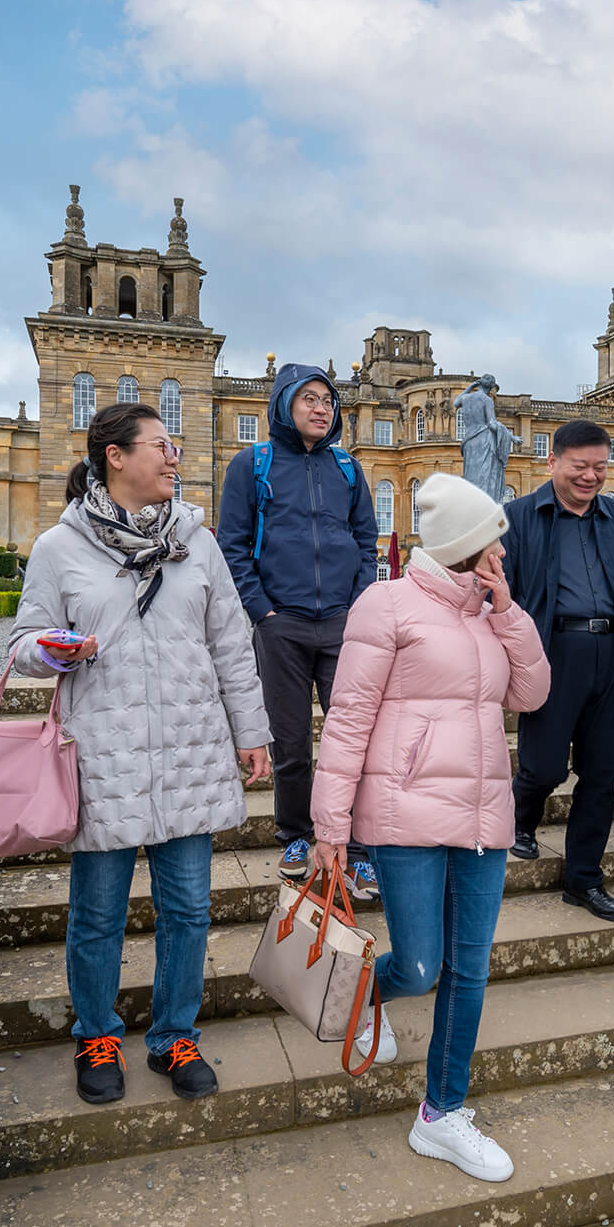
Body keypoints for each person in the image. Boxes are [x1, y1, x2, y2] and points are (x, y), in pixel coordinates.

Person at [10, 402, 273, 1107]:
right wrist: (48, 650)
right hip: (105, 757)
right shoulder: (58, 549)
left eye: (175, 445)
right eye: (160, 444)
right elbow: (22, 642)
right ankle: (97, 1033)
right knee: (97, 914)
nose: (174, 456)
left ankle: (173, 1036)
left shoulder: (198, 541)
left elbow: (231, 646)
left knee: (187, 910)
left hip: (189, 751)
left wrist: (252, 730)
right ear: (114, 456)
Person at [310, 472, 551, 1181]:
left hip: (482, 816)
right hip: (405, 812)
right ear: (461, 546)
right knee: (421, 966)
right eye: (491, 548)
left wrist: (509, 612)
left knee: (469, 970)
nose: (500, 560)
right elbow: (348, 716)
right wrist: (331, 823)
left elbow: (531, 692)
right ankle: (363, 994)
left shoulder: (490, 612)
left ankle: (442, 1113)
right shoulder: (385, 605)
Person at [216, 362, 383, 899]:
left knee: (352, 740)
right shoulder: (253, 464)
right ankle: (295, 835)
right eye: (308, 398)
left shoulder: (347, 469)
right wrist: (262, 610)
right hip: (280, 623)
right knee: (291, 743)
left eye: (328, 400)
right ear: (284, 404)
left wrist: (357, 605)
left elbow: (365, 541)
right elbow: (232, 546)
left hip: (342, 625)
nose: (320, 408)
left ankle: (356, 849)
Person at [500, 419, 614, 922]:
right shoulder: (519, 516)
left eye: (599, 467)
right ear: (553, 463)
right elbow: (501, 595)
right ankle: (520, 819)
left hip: (608, 656)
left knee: (602, 775)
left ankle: (583, 880)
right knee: (543, 767)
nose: (590, 476)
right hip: (553, 653)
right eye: (580, 466)